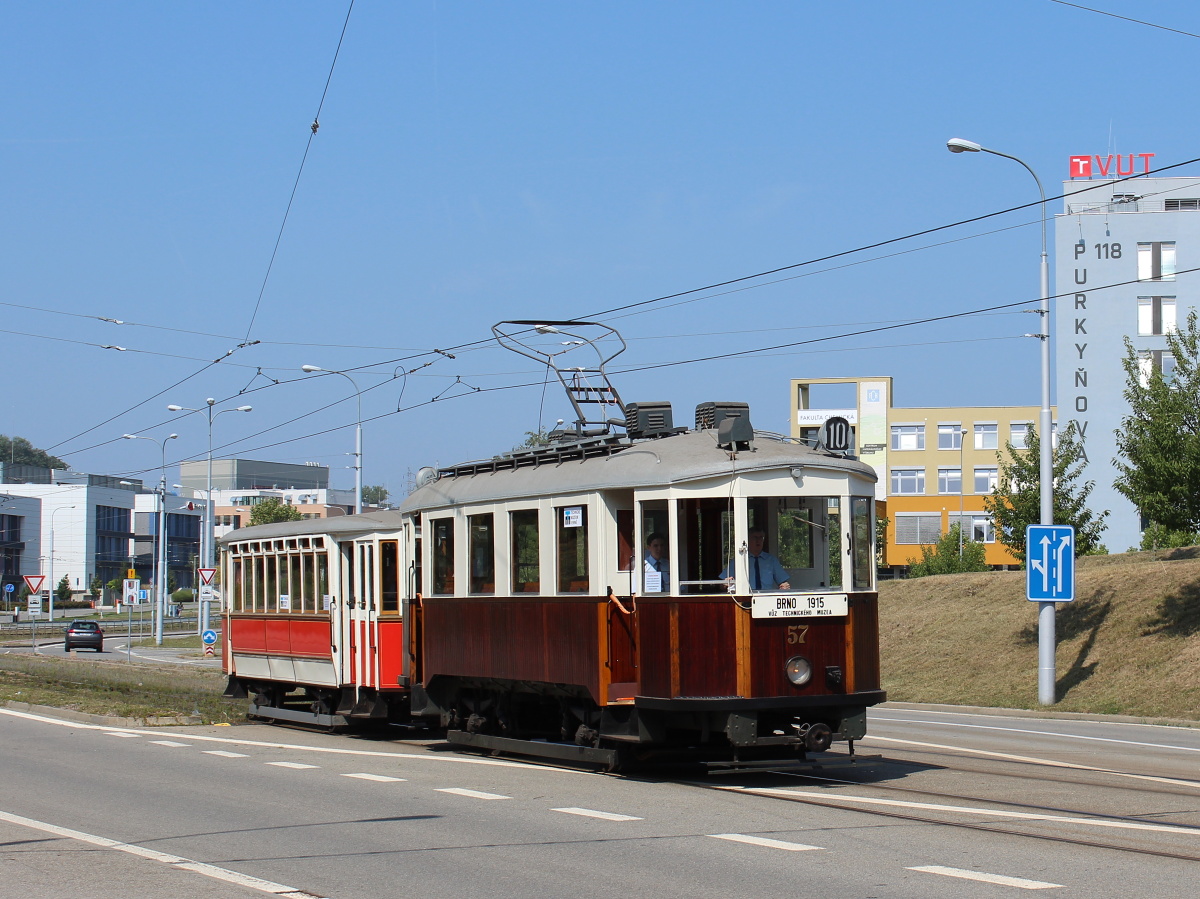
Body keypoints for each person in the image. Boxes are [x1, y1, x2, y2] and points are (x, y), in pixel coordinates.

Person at [722, 527, 791, 591]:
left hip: (767, 598)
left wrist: (784, 586)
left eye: (761, 538)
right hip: (746, 600)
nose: (758, 541)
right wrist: (726, 584)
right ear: (747, 540)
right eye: (755, 538)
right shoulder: (740, 559)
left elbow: (783, 582)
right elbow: (723, 584)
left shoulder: (771, 560)